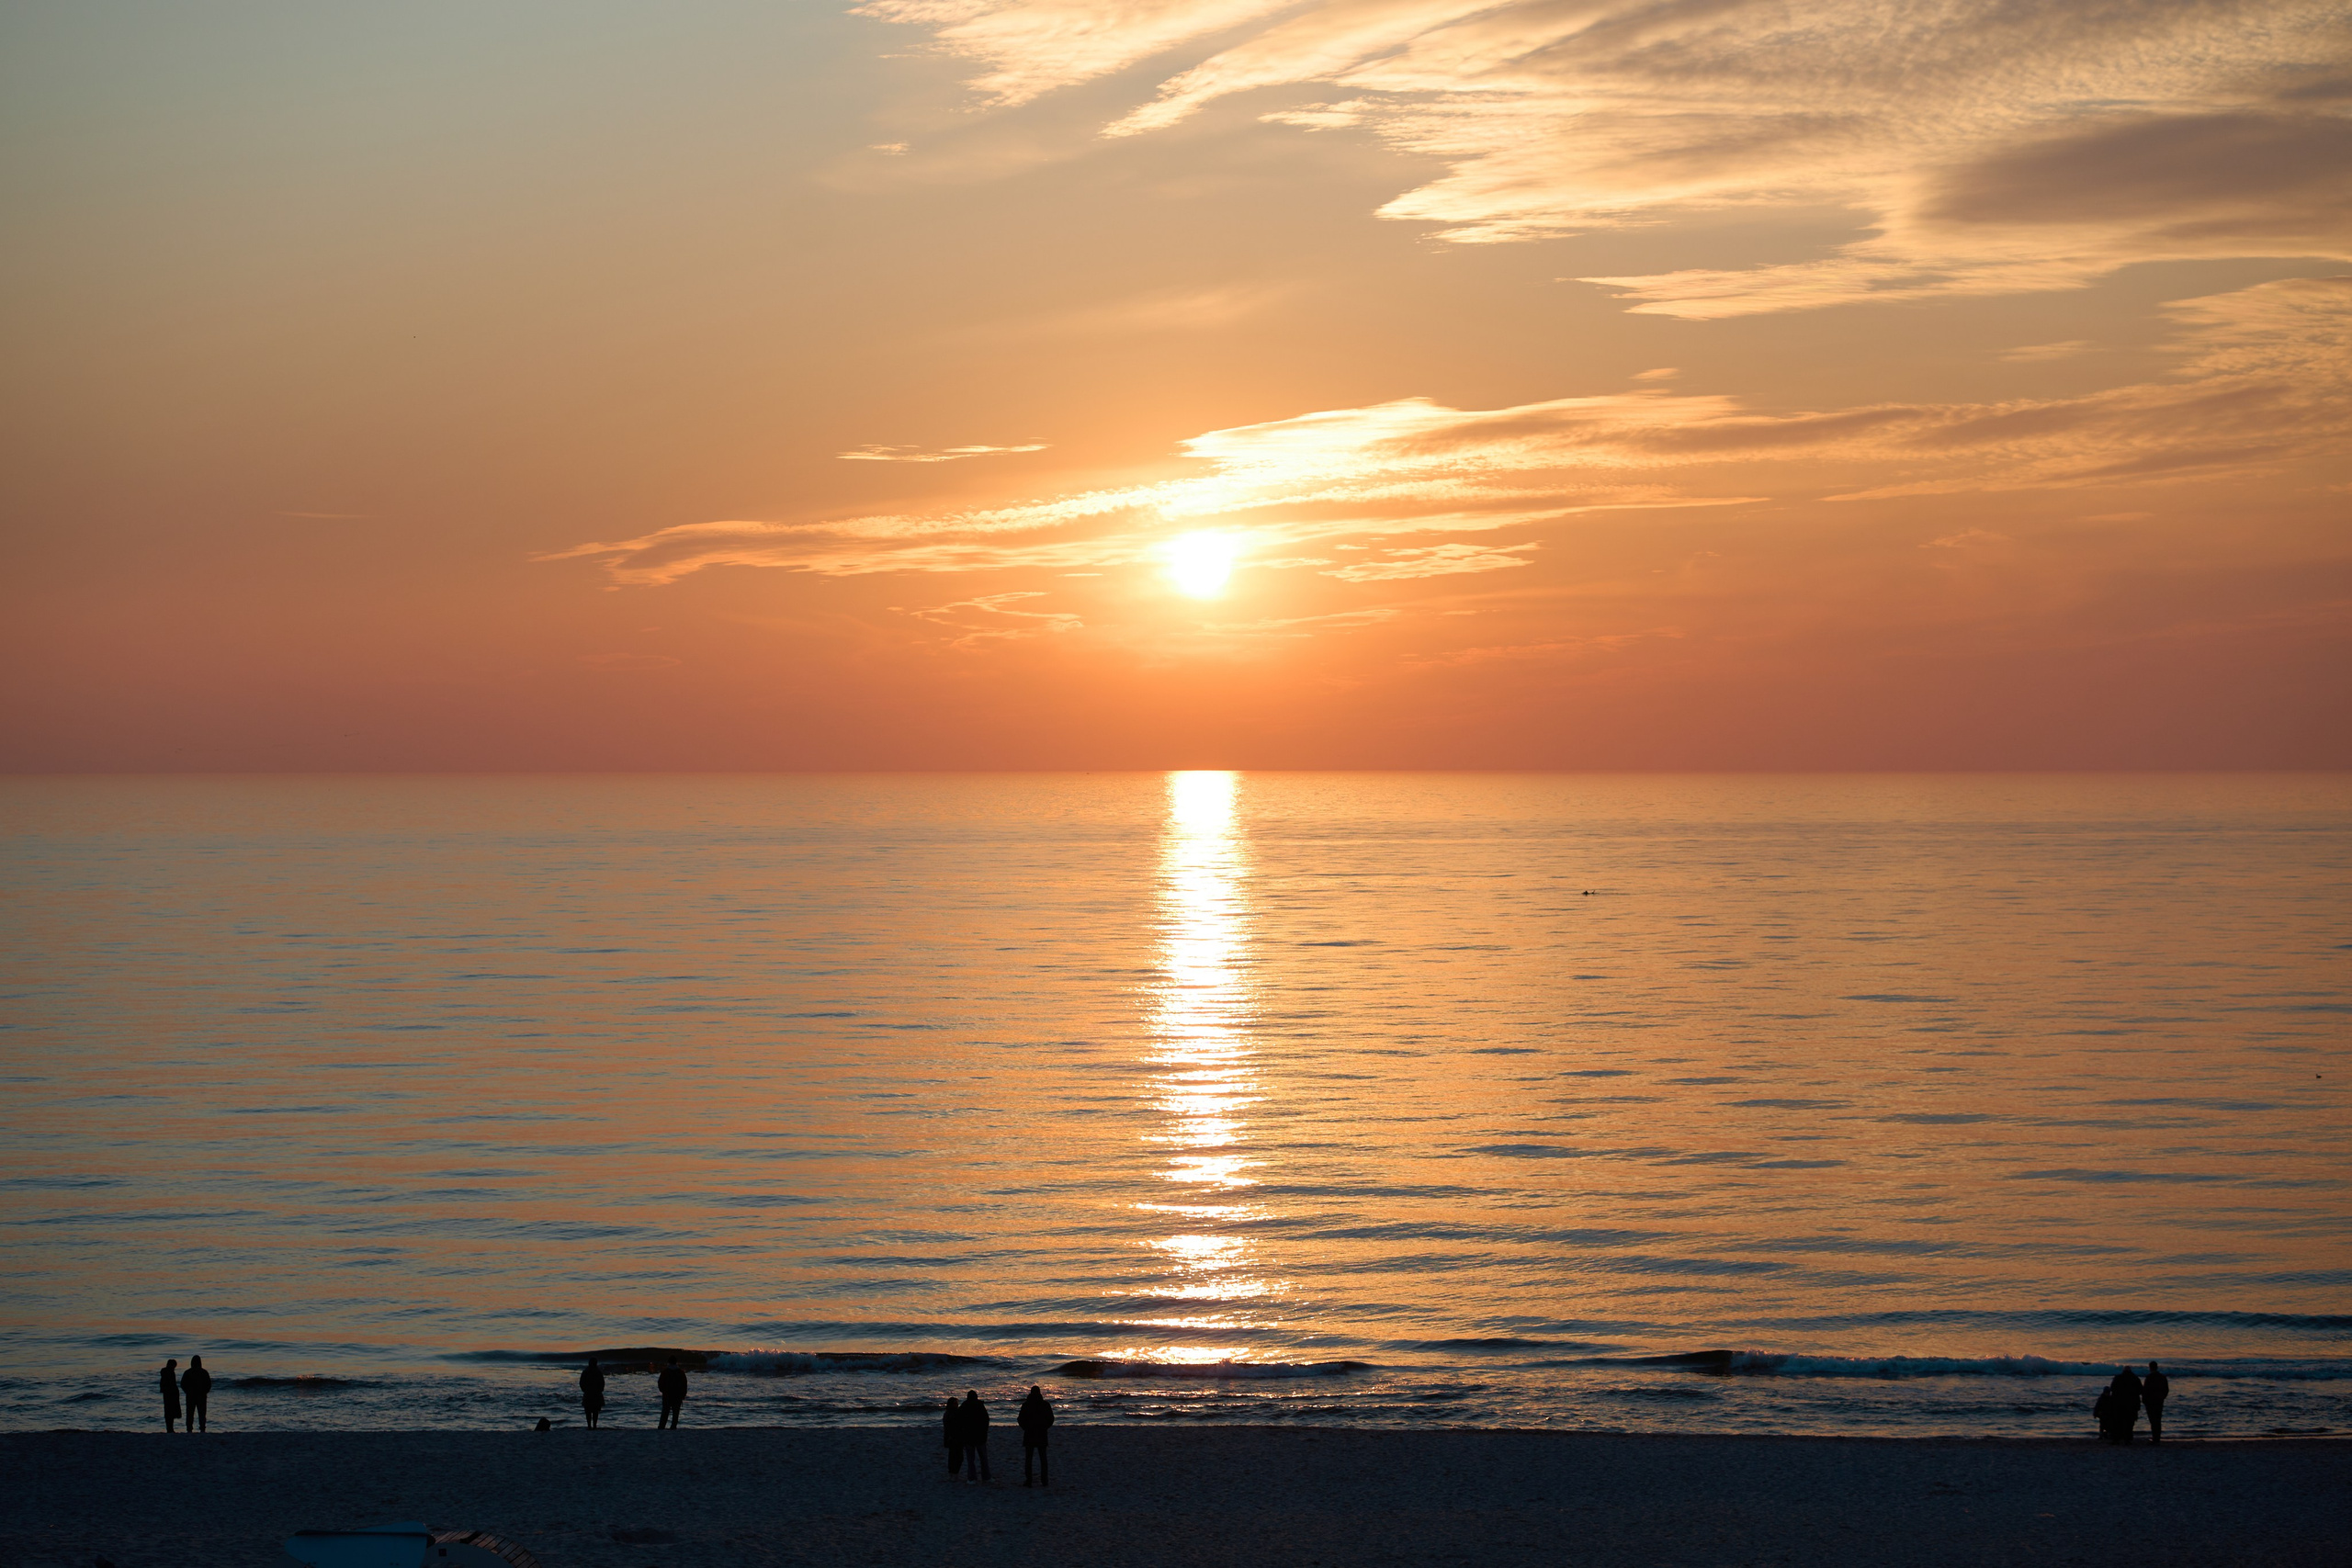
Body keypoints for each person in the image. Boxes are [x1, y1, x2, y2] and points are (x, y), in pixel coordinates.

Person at [1017, 1384, 1054, 1486]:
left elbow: (1020, 1419)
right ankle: (1044, 1480)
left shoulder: (1026, 1405)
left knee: (1029, 1458)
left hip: (1029, 1434)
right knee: (1043, 1458)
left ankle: (1029, 1480)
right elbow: (1051, 1419)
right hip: (1041, 1433)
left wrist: (1025, 1428)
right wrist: (1045, 1427)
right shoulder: (1045, 1404)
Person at [959, 1390, 990, 1483]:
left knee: (971, 1459)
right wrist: (985, 1431)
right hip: (979, 1436)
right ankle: (986, 1477)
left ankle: (972, 1478)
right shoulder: (980, 1406)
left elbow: (959, 1421)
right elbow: (986, 1420)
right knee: (983, 1458)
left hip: (969, 1437)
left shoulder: (964, 1407)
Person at [2107, 1366, 2143, 1444]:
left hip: (2119, 1403)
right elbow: (2140, 1390)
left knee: (2118, 1421)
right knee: (2130, 1422)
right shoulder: (2135, 1378)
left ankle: (2116, 1439)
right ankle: (2127, 1439)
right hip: (2132, 1404)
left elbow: (2112, 1388)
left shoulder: (2118, 1378)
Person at [180, 1355, 212, 1432]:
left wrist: (187, 1391)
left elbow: (182, 1384)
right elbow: (209, 1384)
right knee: (202, 1413)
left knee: (190, 1413)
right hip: (201, 1395)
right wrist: (205, 1391)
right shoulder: (204, 1372)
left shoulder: (188, 1372)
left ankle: (189, 1428)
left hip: (190, 1395)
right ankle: (202, 1428)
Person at [656, 1355, 688, 1429]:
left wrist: (663, 1391)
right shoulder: (681, 1372)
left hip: (667, 1395)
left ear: (668, 1362)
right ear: (676, 1362)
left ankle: (661, 1427)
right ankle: (673, 1427)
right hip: (677, 1395)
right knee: (676, 1413)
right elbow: (684, 1385)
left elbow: (660, 1383)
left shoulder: (665, 1372)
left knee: (665, 1412)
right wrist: (683, 1395)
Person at [2144, 1361, 2169, 1444]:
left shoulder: (2149, 1377)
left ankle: (2155, 1438)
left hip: (2151, 1402)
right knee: (2158, 1420)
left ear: (2150, 1367)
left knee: (2153, 1420)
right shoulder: (2162, 1377)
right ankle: (2157, 1438)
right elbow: (2166, 1389)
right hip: (2159, 1401)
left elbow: (2145, 1390)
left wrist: (2144, 1400)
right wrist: (2162, 1397)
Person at [580, 1356, 606, 1429]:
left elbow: (581, 1382)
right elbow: (602, 1383)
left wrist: (584, 1389)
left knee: (588, 1411)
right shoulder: (598, 1372)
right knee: (595, 1411)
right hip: (596, 1393)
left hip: (588, 1393)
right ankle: (594, 1425)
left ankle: (589, 1426)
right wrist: (601, 1390)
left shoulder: (585, 1371)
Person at [943, 1395, 966, 1478]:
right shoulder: (953, 1414)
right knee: (958, 1456)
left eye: (957, 1403)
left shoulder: (948, 1413)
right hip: (955, 1438)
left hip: (952, 1437)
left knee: (953, 1456)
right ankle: (954, 1472)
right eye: (955, 1403)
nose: (957, 1405)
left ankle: (952, 1472)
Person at [160, 1359, 181, 1433]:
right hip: (171, 1394)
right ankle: (170, 1428)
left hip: (167, 1394)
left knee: (168, 1411)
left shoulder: (165, 1372)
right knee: (170, 1411)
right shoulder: (170, 1372)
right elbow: (172, 1384)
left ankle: (169, 1428)